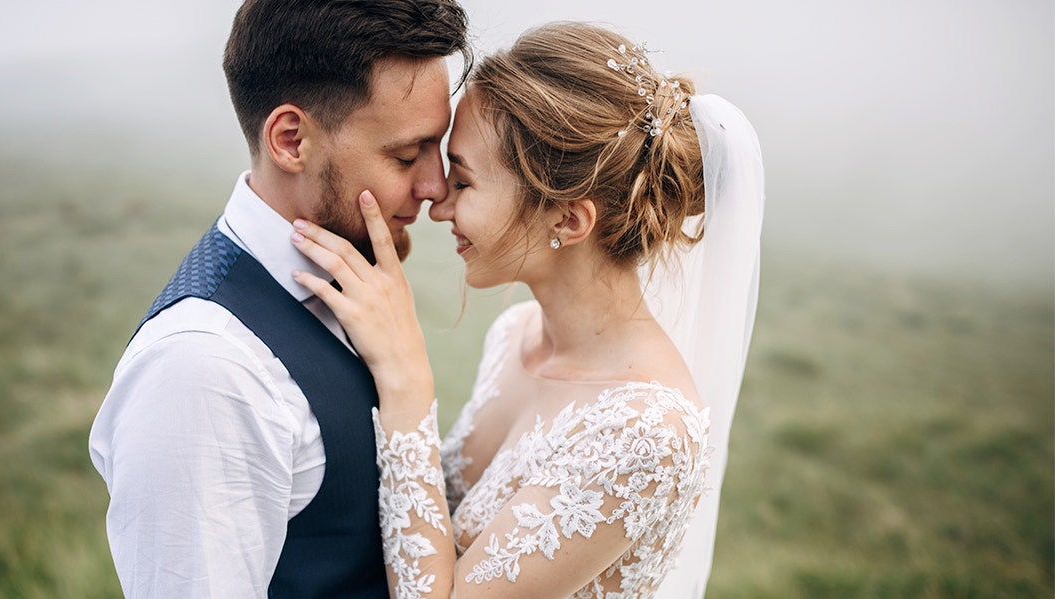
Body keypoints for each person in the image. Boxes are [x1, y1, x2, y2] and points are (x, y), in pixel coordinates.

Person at [290, 22, 763, 598]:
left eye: (462, 181)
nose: (437, 202)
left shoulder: (649, 434)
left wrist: (406, 382)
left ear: (568, 219)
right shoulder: (515, 334)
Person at [87, 1, 470, 597]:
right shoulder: (200, 370)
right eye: (404, 155)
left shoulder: (358, 282)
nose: (435, 185)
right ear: (292, 141)